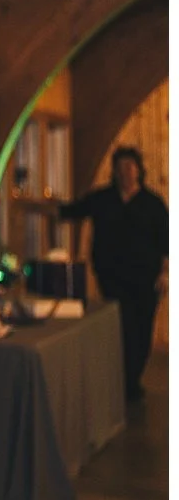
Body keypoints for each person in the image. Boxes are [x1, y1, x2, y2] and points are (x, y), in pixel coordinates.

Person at [58, 145, 168, 402]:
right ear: (115, 172)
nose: (126, 172)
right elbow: (74, 210)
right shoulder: (103, 198)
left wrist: (165, 273)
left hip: (146, 278)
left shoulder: (152, 204)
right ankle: (121, 381)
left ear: (139, 170)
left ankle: (133, 381)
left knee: (141, 330)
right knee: (121, 326)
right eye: (121, 168)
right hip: (113, 276)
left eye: (130, 167)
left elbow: (166, 241)